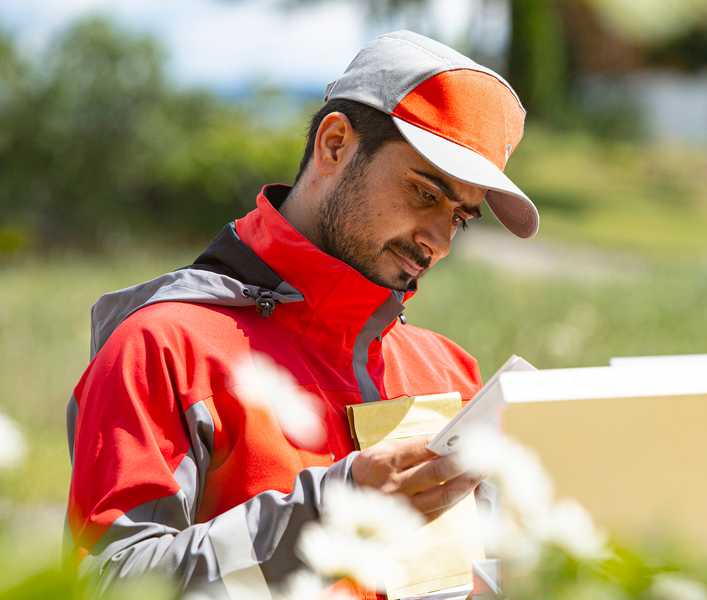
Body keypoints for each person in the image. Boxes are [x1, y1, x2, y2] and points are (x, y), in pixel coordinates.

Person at [64, 30, 538, 598]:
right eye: (425, 193)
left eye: (461, 217)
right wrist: (329, 508)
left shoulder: (452, 372)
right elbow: (108, 583)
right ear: (335, 144)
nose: (439, 241)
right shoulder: (163, 347)